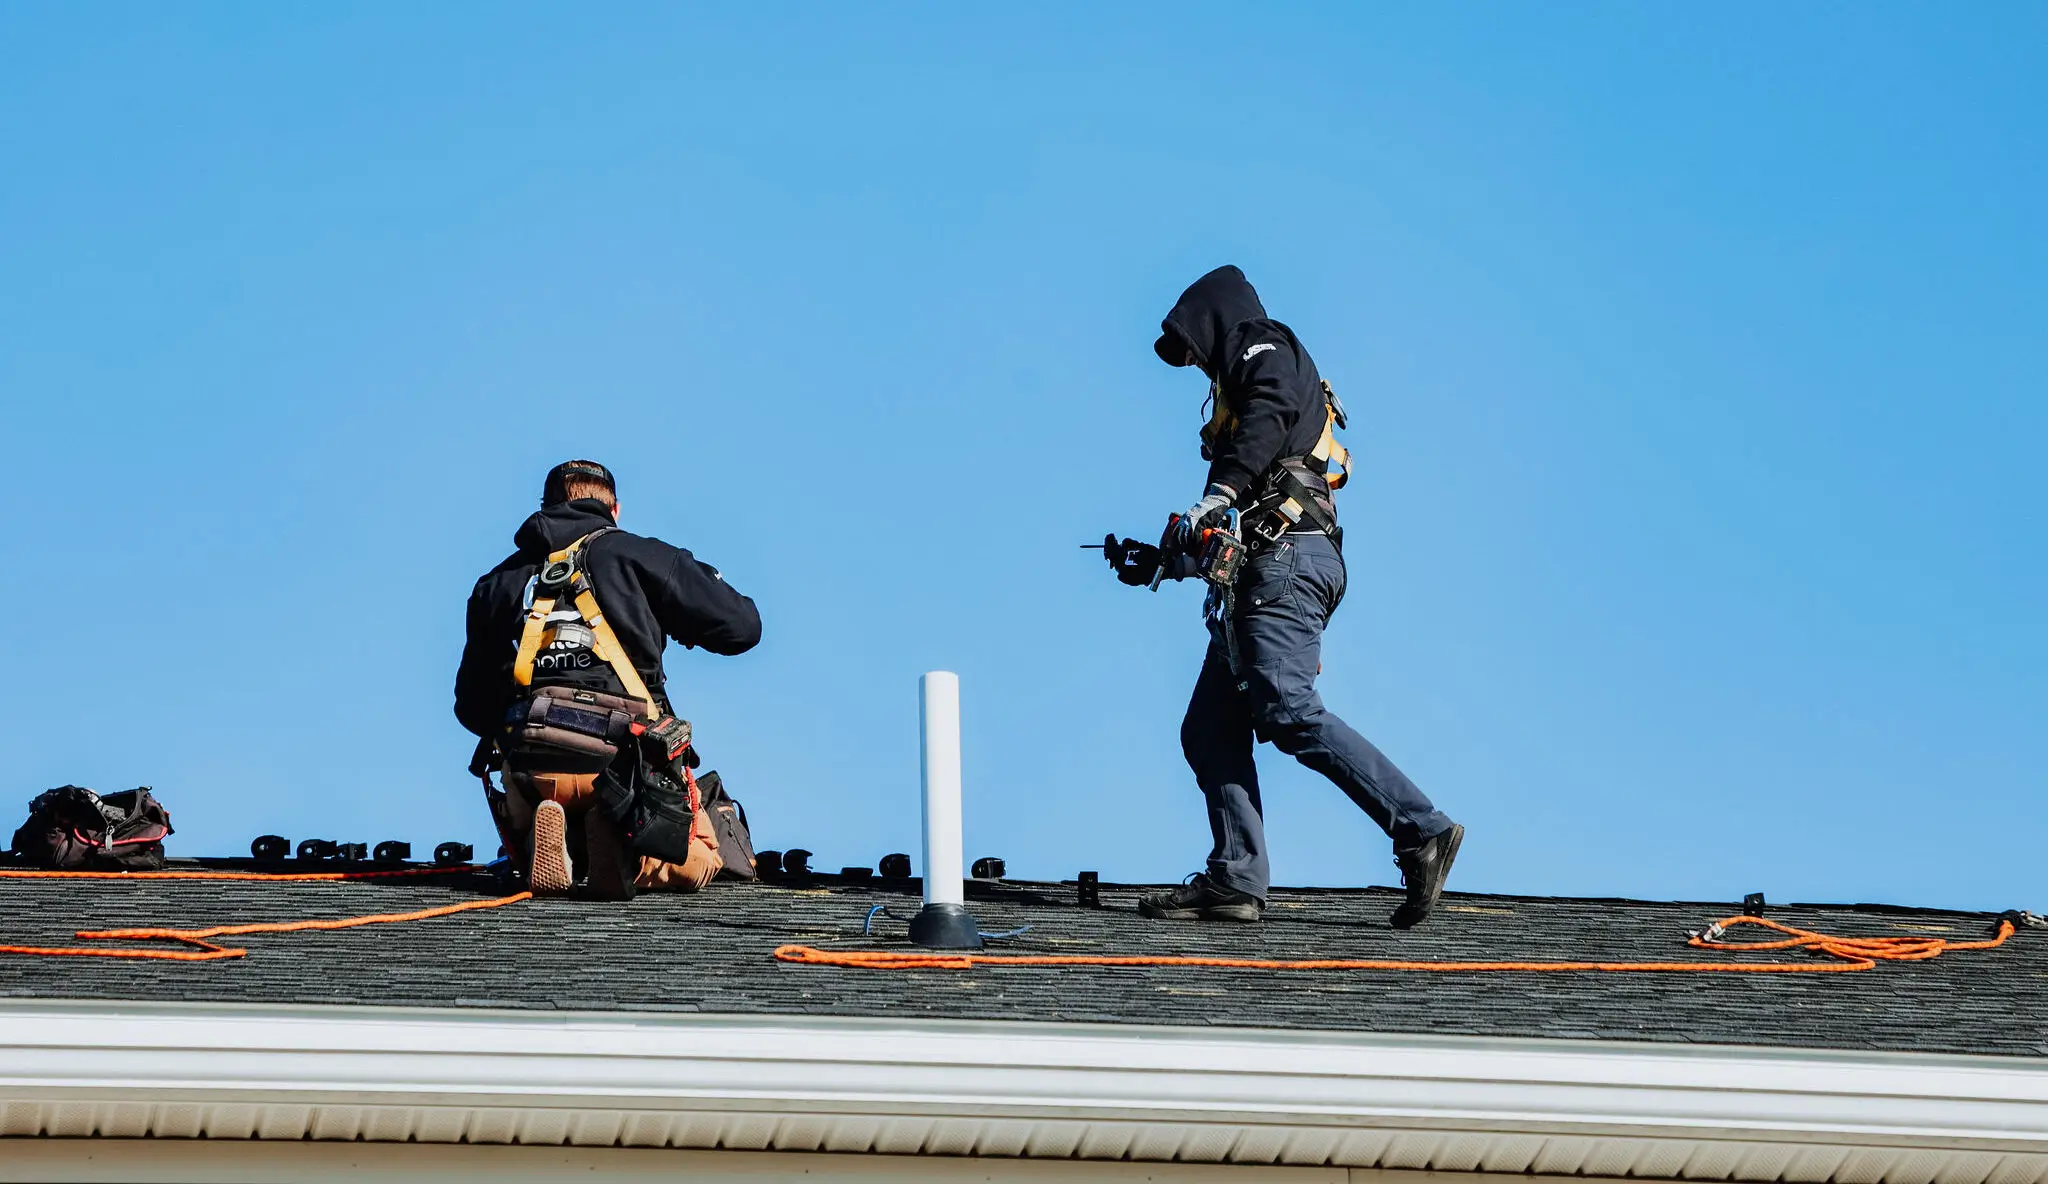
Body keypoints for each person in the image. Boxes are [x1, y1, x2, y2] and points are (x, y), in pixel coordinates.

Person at [1103, 266, 1464, 927]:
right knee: (1210, 730)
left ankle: (1421, 828)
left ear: (1211, 321)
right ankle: (1237, 879)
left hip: (1288, 565)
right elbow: (1240, 521)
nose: (1195, 369)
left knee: (1285, 706)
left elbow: (1262, 428)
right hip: (1267, 569)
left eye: (1192, 349)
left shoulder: (1261, 343)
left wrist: (1223, 489)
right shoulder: (1250, 380)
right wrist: (1165, 560)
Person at [456, 460, 761, 898]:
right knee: (701, 856)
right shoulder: (645, 557)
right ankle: (629, 856)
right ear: (614, 511)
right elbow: (743, 629)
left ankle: (547, 837)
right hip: (631, 765)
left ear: (546, 508)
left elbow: (472, 707)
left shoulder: (498, 583)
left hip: (533, 773)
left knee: (533, 819)